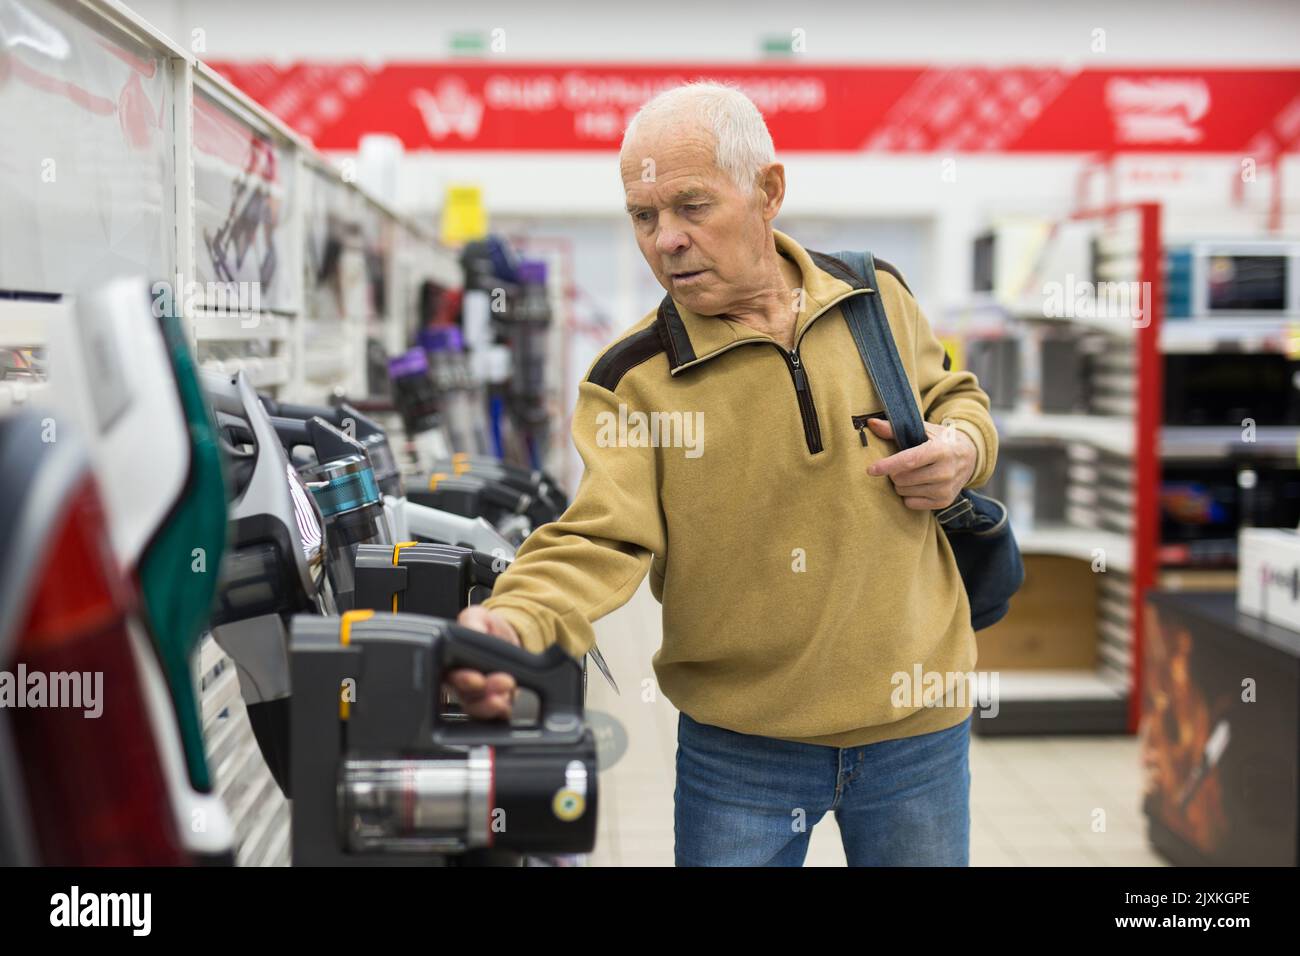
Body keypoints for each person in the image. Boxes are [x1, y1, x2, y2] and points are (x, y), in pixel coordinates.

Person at [454, 82, 998, 866]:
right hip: (744, 754)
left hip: (918, 729)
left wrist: (963, 448)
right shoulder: (632, 377)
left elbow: (956, 395)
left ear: (768, 191)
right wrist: (513, 622)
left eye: (691, 206)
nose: (666, 239)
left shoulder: (875, 296)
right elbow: (600, 536)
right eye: (644, 216)